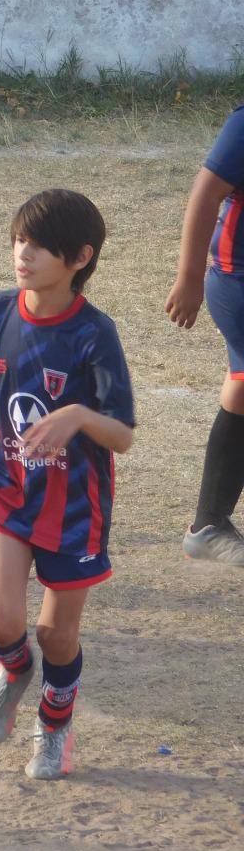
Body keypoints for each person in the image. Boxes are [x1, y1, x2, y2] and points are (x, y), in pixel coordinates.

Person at [0, 190, 135, 780]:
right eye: (19, 239)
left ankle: (54, 723)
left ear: (79, 257)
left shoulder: (95, 333)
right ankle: (14, 671)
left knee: (56, 634)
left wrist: (78, 417)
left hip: (74, 509)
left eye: (40, 245)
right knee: (4, 624)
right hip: (8, 492)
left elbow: (122, 435)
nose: (24, 253)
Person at [166, 103, 244, 567]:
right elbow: (205, 193)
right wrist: (189, 277)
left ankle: (209, 523)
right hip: (238, 282)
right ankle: (207, 524)